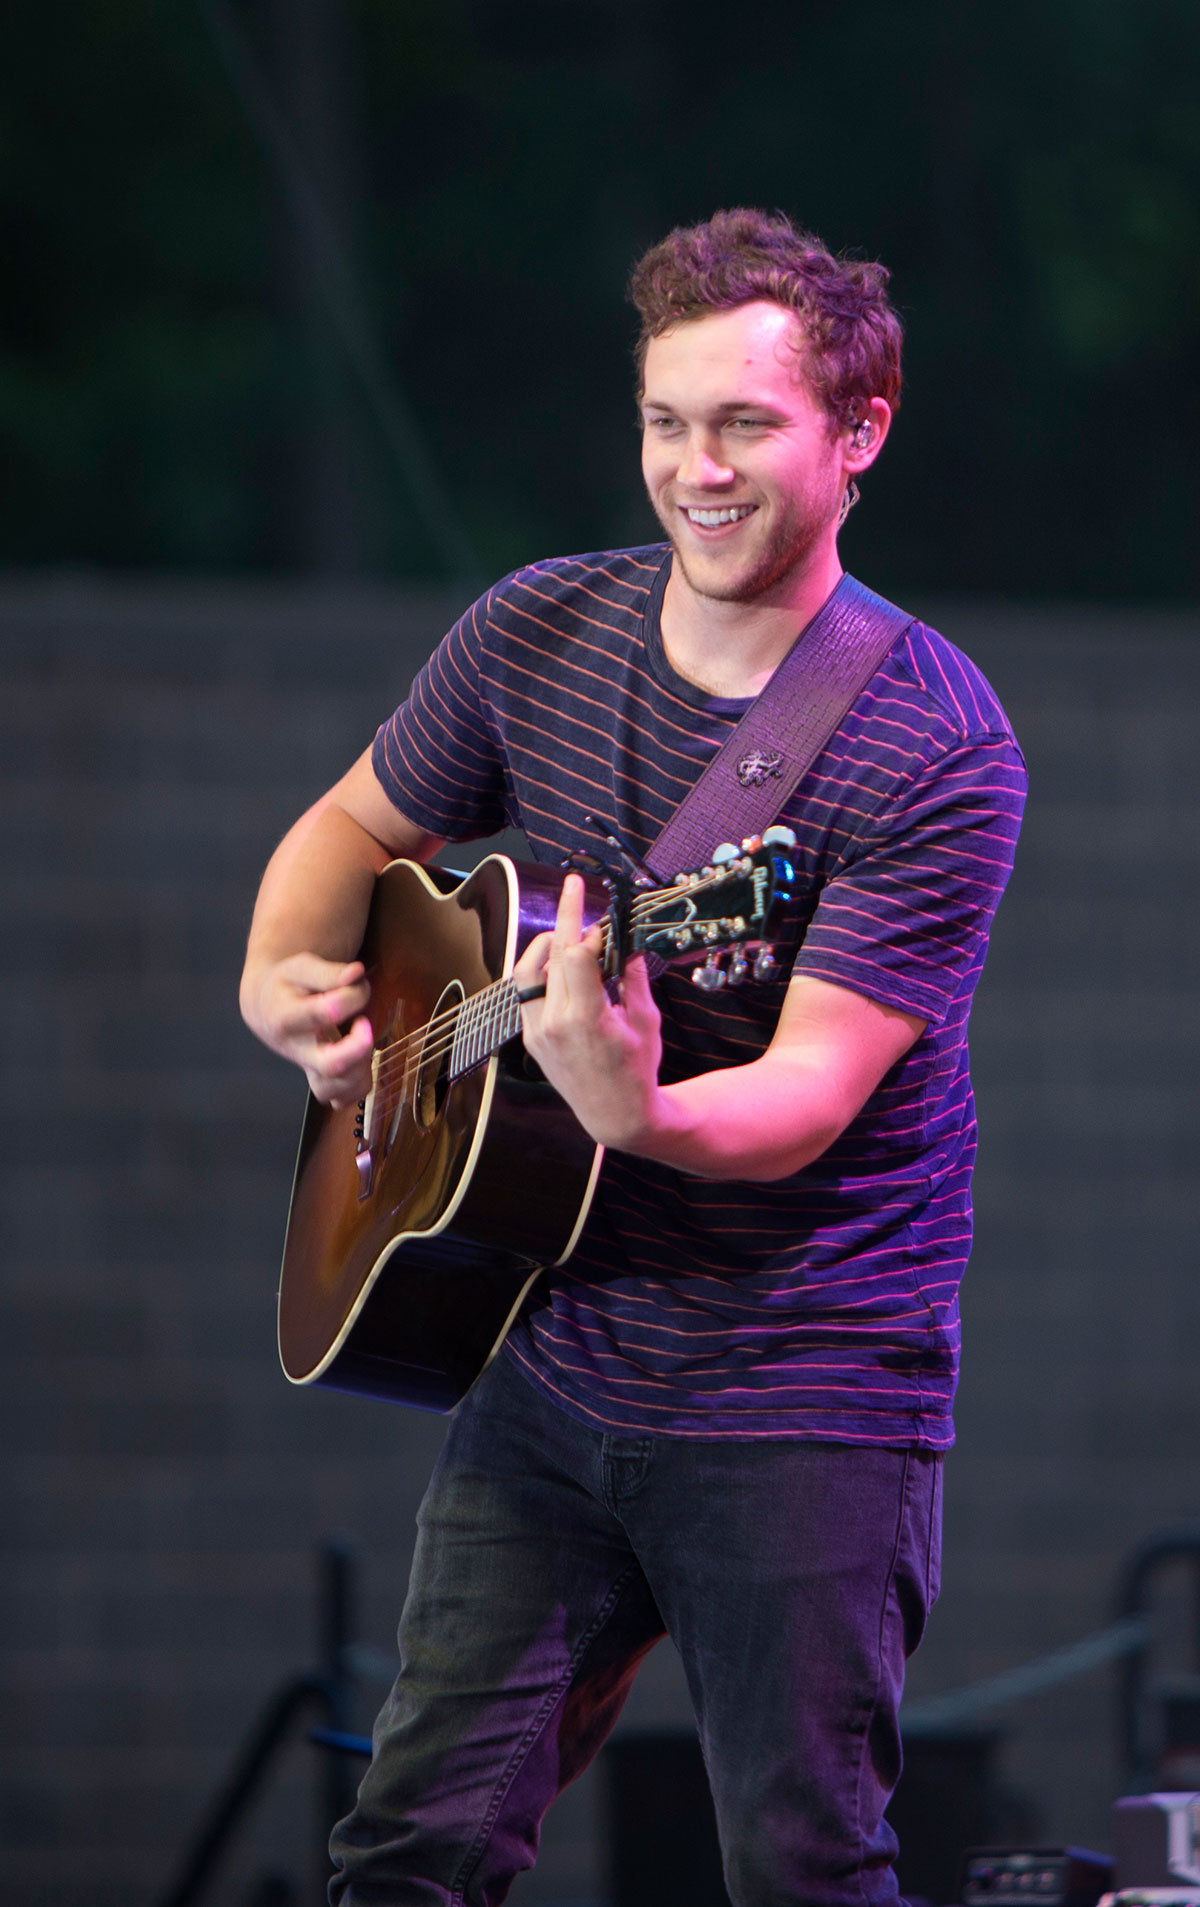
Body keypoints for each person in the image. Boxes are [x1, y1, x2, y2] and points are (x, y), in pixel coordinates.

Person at [240, 208, 1026, 1907]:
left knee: (804, 1871)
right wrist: (276, 983)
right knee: (407, 1852)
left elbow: (805, 1097)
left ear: (861, 430)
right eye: (667, 422)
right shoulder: (536, 629)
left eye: (744, 424)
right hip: (554, 1349)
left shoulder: (931, 739)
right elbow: (348, 830)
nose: (696, 470)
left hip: (805, 1380)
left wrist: (641, 1108)